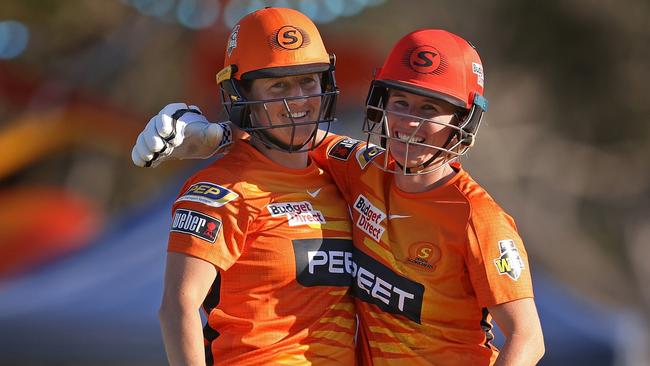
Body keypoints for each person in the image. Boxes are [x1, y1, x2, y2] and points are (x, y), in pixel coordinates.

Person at [134, 29, 545, 365]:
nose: (410, 122)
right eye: (401, 102)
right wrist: (216, 134)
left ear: (463, 121)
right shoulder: (359, 166)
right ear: (380, 106)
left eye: (432, 108)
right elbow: (292, 128)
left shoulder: (478, 217)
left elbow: (528, 339)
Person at [151, 7, 357, 365]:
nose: (299, 99)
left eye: (308, 80)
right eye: (278, 85)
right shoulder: (219, 189)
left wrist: (226, 132)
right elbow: (176, 308)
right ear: (240, 93)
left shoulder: (340, 177)